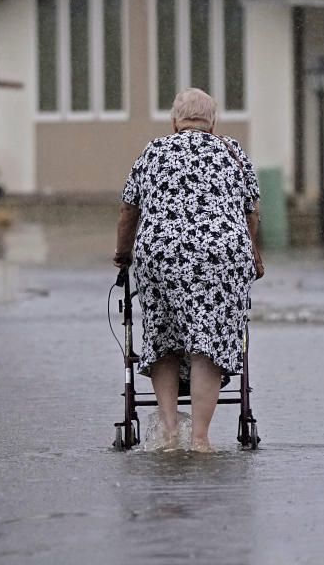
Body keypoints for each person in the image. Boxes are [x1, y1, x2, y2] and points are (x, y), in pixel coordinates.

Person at [113, 88, 264, 452]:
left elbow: (128, 211)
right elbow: (252, 212)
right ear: (212, 122)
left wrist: (123, 254)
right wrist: (250, 251)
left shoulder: (153, 151)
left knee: (163, 342)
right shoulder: (232, 152)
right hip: (220, 257)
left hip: (160, 255)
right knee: (207, 346)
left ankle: (168, 434)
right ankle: (199, 438)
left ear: (174, 120)